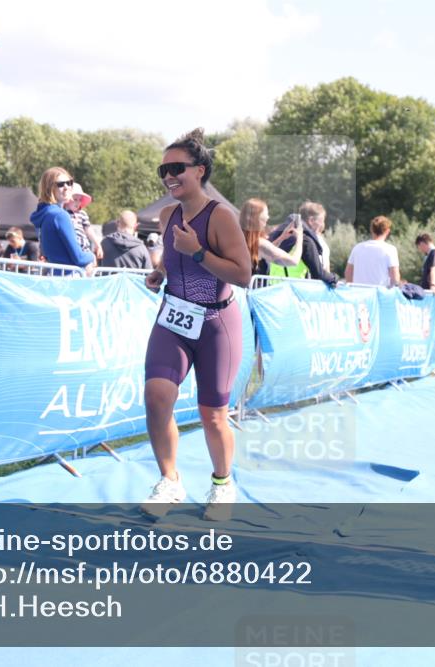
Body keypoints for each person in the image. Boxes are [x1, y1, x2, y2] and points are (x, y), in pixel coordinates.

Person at [141, 129, 251, 522]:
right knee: (156, 397)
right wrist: (160, 272)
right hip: (174, 317)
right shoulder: (167, 214)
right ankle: (170, 480)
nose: (169, 176)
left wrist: (199, 252)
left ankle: (223, 484)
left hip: (216, 322)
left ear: (200, 171)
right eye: (163, 169)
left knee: (213, 414)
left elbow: (243, 275)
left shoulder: (220, 216)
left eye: (177, 168)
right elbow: (172, 259)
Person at [29, 167, 95, 275]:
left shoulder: (44, 214)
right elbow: (79, 258)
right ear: (49, 188)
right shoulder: (60, 215)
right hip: (68, 280)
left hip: (54, 277)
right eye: (60, 184)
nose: (66, 187)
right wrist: (92, 256)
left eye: (69, 183)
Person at [268, 201, 338, 286]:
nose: (323, 225)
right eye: (322, 220)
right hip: (292, 289)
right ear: (311, 220)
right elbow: (318, 273)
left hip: (272, 287)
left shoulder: (281, 235)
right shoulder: (306, 241)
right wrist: (334, 278)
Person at [239, 198, 302, 275]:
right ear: (256, 217)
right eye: (265, 214)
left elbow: (265, 252)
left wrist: (282, 237)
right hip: (259, 287)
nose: (268, 217)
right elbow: (294, 261)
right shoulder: (259, 243)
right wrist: (300, 238)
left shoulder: (241, 238)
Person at [346, 215, 401, 288]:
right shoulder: (390, 250)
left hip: (359, 294)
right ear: (387, 231)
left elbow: (348, 272)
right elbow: (395, 277)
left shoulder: (357, 248)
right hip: (379, 295)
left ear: (372, 230)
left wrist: (352, 289)